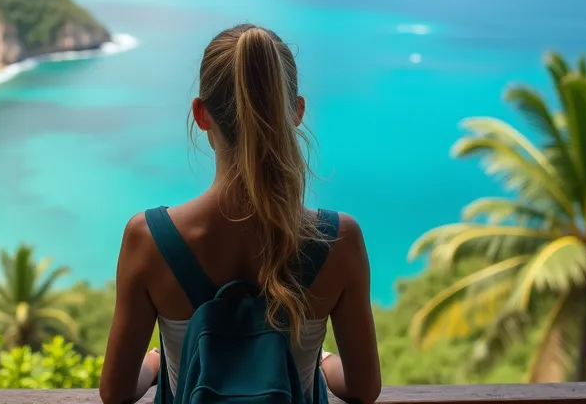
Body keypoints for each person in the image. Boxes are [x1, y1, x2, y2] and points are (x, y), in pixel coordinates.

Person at [99, 24, 381, 404]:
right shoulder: (338, 238)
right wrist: (321, 361)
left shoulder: (149, 239)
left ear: (200, 114)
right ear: (296, 111)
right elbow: (364, 390)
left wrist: (155, 362)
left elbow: (115, 394)